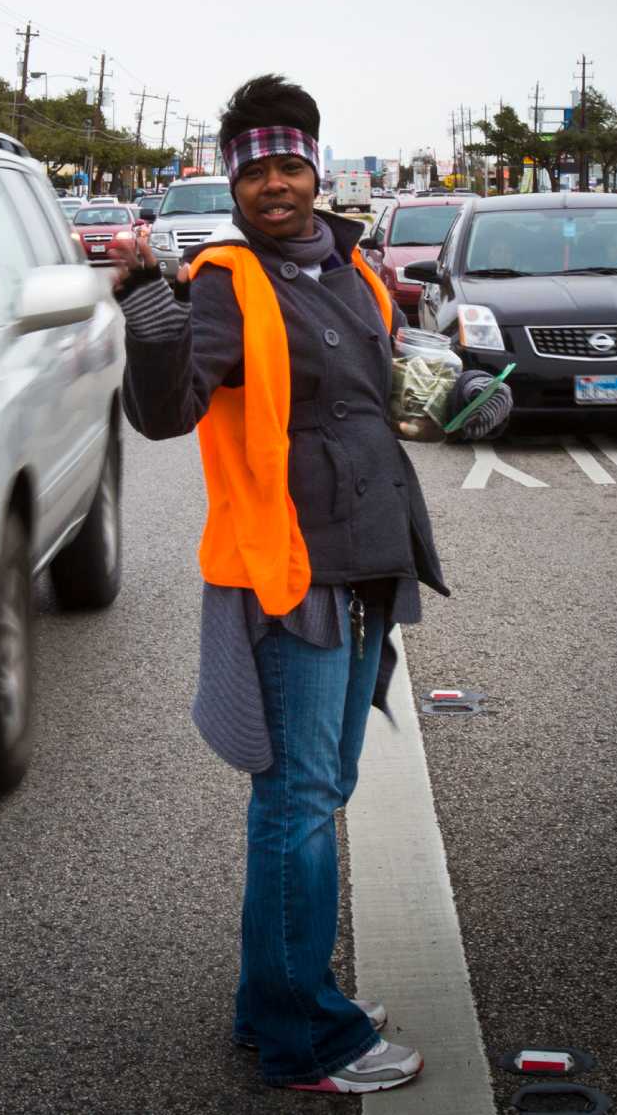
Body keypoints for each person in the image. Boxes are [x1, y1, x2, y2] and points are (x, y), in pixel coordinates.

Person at [105, 75, 444, 1094]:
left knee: (315, 790)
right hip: (288, 571)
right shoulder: (223, 281)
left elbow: (376, 400)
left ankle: (272, 1000)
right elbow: (165, 416)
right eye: (255, 171)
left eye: (290, 165)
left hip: (369, 560)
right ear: (232, 177)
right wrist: (145, 307)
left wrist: (453, 394)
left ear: (314, 166)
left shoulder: (350, 273)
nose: (275, 186)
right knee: (296, 800)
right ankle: (308, 1039)